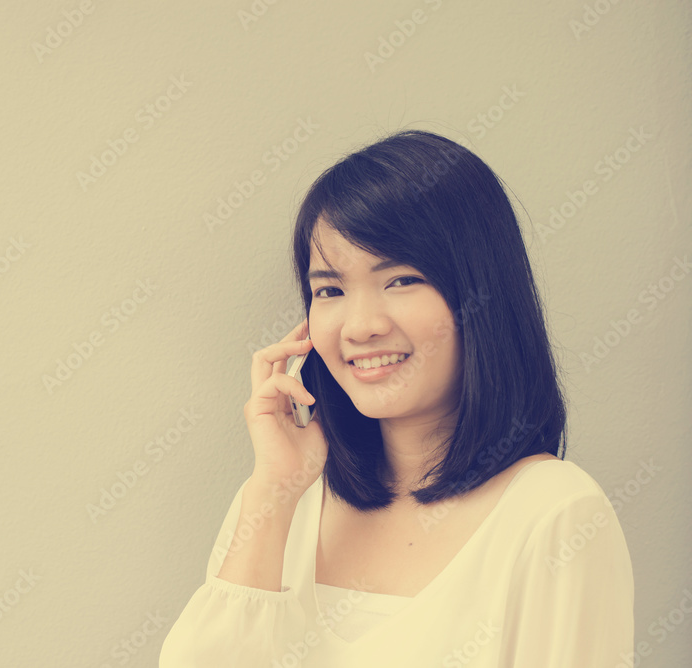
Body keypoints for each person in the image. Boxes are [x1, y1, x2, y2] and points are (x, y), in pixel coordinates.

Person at [159, 130, 634, 667]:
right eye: (330, 290)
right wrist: (274, 490)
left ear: (478, 296)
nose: (360, 327)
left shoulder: (555, 512)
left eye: (402, 280)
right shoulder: (286, 498)